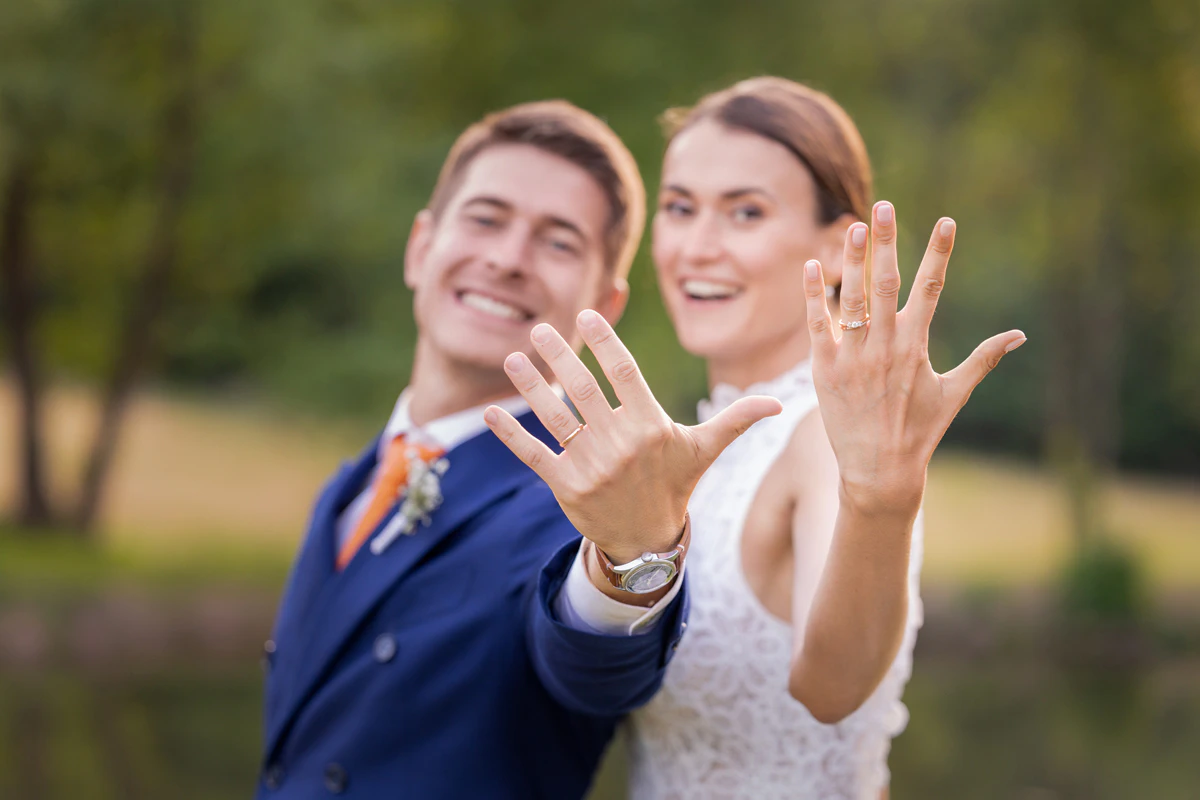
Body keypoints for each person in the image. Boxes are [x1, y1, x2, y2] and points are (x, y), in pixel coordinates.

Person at [489, 77, 1025, 799]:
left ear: (841, 248)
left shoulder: (827, 436)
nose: (698, 247)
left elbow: (833, 688)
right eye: (680, 208)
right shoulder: (695, 443)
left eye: (746, 212)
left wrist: (882, 499)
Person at [256, 100, 779, 799]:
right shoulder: (347, 487)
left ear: (607, 302)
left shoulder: (573, 506)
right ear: (421, 248)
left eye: (558, 242)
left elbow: (593, 667)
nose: (506, 259)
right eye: (485, 218)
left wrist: (632, 556)